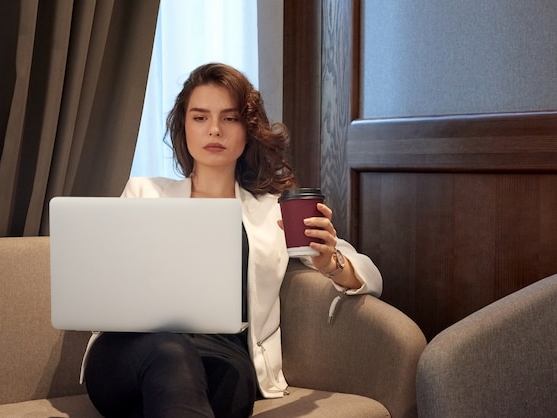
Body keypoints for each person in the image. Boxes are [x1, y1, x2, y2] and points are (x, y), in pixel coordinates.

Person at [82, 63, 383, 417]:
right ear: (183, 127)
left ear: (248, 129)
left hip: (223, 357)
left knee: (179, 390)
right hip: (132, 351)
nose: (214, 129)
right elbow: (105, 285)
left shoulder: (272, 211)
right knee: (170, 353)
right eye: (199, 117)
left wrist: (331, 262)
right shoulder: (144, 193)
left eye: (229, 118)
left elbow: (371, 278)